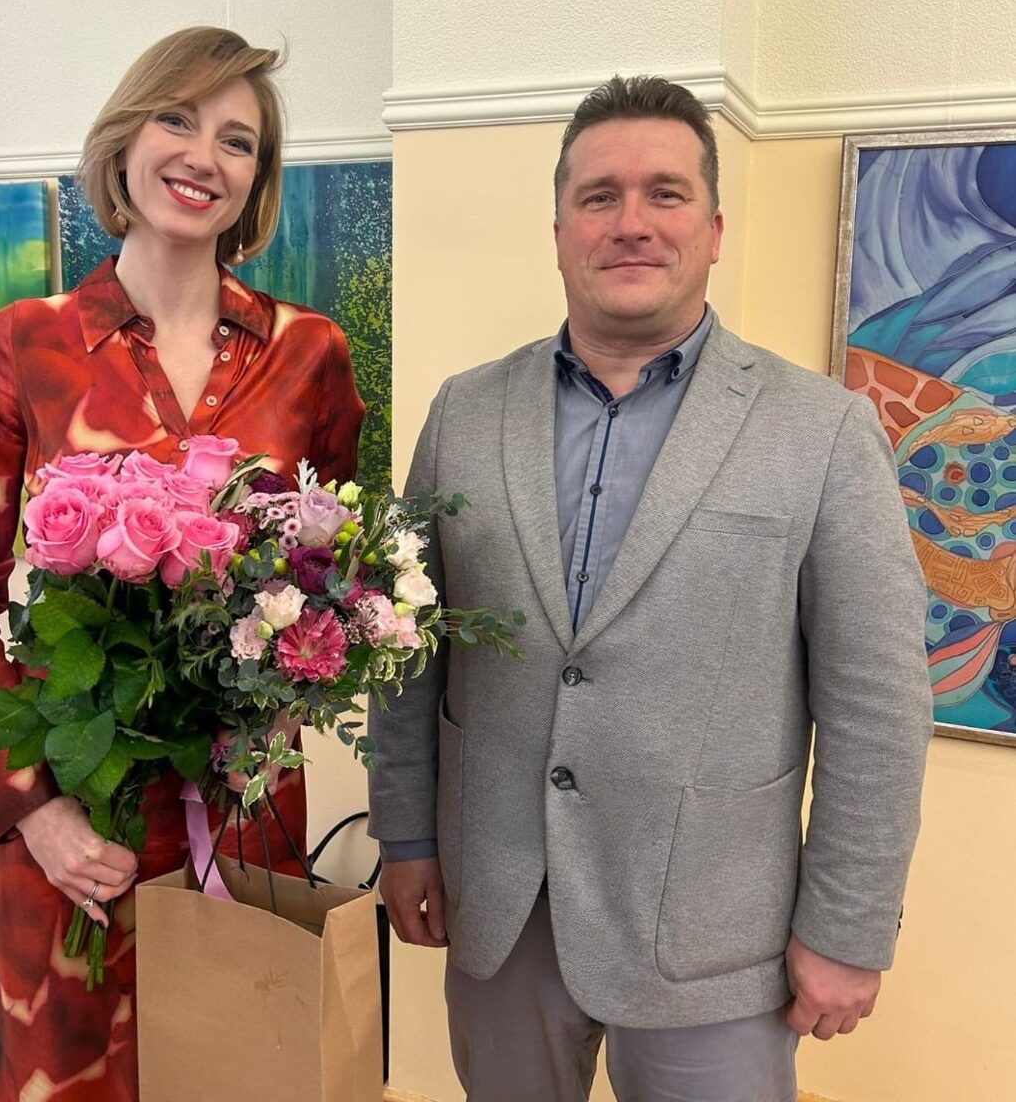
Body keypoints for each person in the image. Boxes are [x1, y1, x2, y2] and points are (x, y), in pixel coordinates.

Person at [367, 75, 932, 1102]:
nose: (631, 222)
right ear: (558, 233)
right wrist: (405, 835)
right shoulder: (463, 412)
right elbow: (405, 646)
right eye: (599, 196)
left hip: (717, 934)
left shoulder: (822, 430)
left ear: (712, 230)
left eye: (665, 193)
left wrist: (848, 926)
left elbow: (878, 706)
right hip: (500, 907)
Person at [0, 27, 363, 1102]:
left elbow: (329, 587)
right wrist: (34, 809)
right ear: (125, 137)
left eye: (237, 140)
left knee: (239, 1075)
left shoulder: (310, 355)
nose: (204, 155)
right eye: (177, 118)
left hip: (240, 820)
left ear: (257, 178)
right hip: (72, 825)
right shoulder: (24, 343)